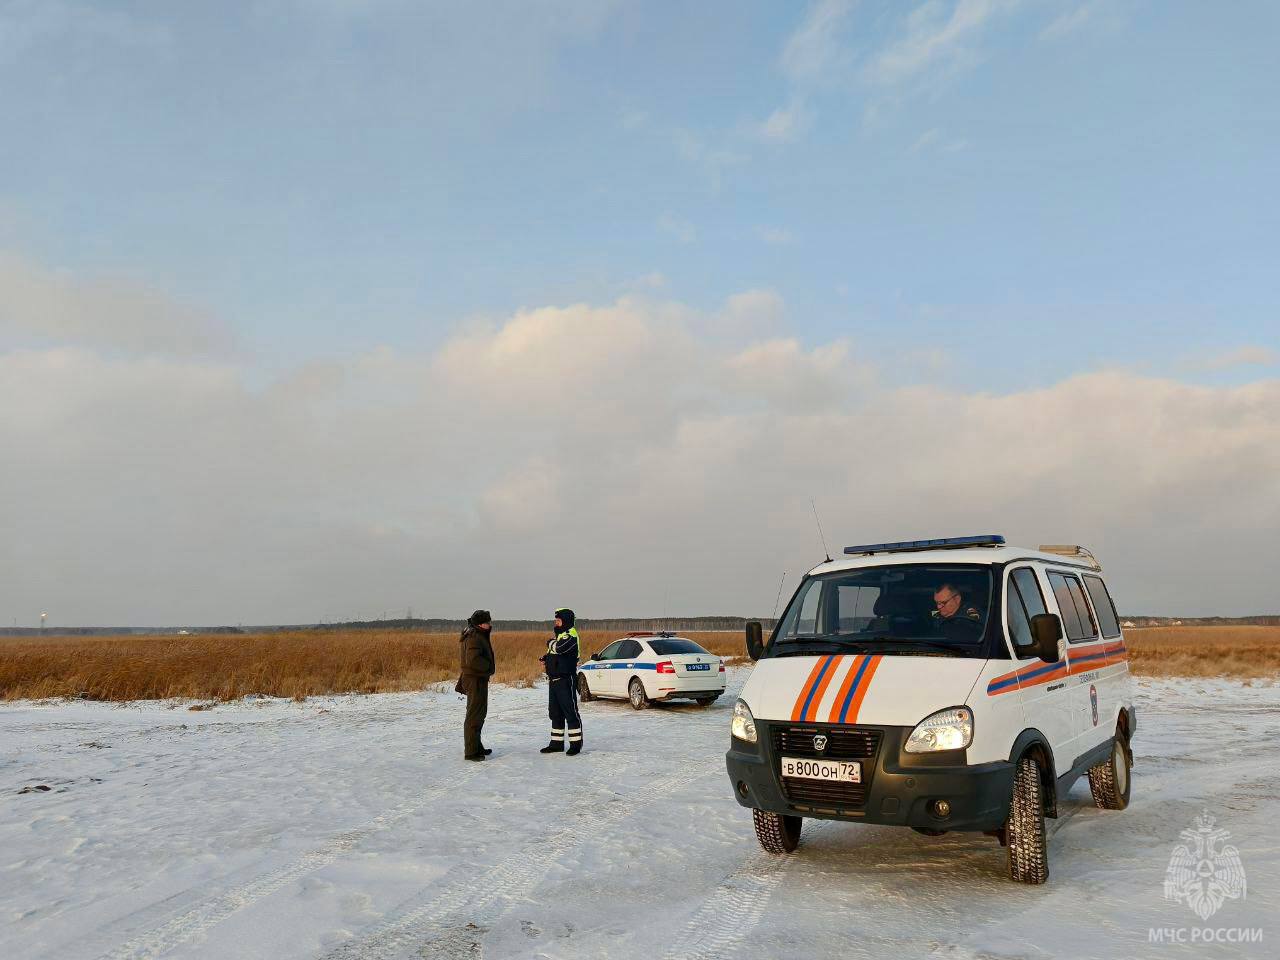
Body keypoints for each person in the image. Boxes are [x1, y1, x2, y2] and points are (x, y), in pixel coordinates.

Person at [538, 607, 583, 756]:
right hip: (554, 680)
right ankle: (556, 744)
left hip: (565, 680)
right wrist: (546, 658)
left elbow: (560, 648)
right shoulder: (561, 635)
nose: (556, 623)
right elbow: (555, 651)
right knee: (555, 713)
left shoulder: (571, 635)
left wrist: (550, 643)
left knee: (570, 712)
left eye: (558, 620)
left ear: (566, 621)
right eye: (556, 620)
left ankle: (575, 745)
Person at [457, 609, 496, 761]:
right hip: (475, 680)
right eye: (487, 622)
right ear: (481, 624)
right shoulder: (474, 636)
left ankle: (476, 746)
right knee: (474, 715)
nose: (489, 625)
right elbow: (473, 660)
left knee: (478, 714)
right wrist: (488, 666)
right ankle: (471, 752)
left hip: (477, 679)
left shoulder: (476, 634)